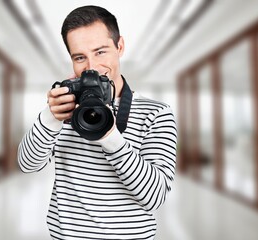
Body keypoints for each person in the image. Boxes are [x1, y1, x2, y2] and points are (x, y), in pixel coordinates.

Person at [17, 5, 177, 240]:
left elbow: (154, 197)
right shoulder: (65, 108)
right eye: (80, 57)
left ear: (119, 46)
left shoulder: (157, 113)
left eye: (100, 52)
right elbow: (27, 165)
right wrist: (50, 118)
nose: (91, 67)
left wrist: (111, 137)